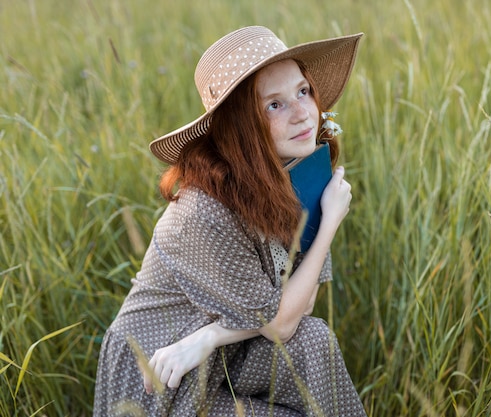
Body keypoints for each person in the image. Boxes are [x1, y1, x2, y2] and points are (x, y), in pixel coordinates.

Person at [93, 26, 365, 416]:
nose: (303, 112)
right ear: (241, 127)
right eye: (275, 105)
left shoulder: (299, 176)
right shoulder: (203, 210)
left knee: (313, 341)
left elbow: (300, 308)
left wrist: (210, 336)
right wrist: (329, 224)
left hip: (219, 352)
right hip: (159, 371)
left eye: (303, 91)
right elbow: (279, 325)